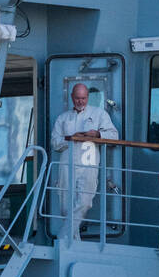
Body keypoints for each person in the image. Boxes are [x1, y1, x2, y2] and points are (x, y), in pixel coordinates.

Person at [50, 82, 119, 241]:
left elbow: (114, 136)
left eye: (83, 98)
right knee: (65, 207)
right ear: (72, 98)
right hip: (67, 165)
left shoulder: (99, 114)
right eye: (77, 98)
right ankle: (74, 244)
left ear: (87, 97)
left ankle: (62, 239)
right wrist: (74, 138)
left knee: (85, 202)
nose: (80, 101)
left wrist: (97, 135)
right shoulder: (63, 118)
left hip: (89, 165)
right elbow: (55, 142)